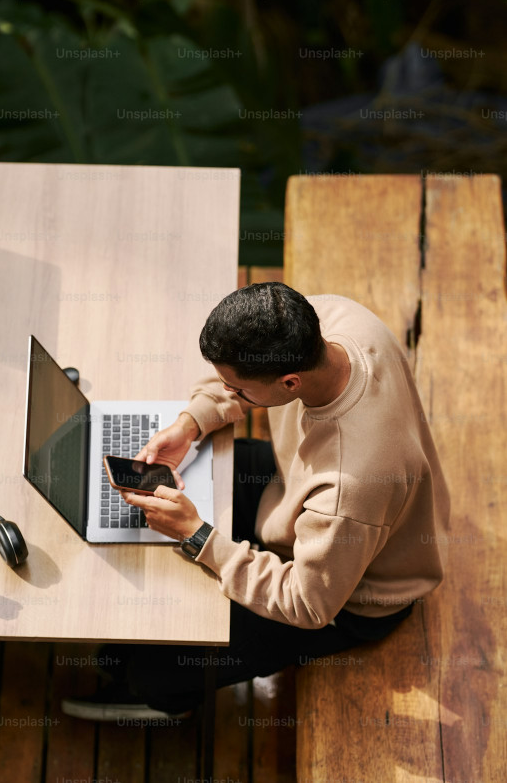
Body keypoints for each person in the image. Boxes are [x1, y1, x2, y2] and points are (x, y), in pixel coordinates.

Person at [62, 282, 450, 721]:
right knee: (208, 469)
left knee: (156, 673)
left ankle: (156, 695)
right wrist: (191, 423)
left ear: (290, 382)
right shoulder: (333, 320)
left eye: (240, 390)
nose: (233, 393)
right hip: (293, 494)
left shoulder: (349, 485)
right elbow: (238, 377)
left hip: (350, 597)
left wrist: (198, 537)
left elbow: (308, 603)